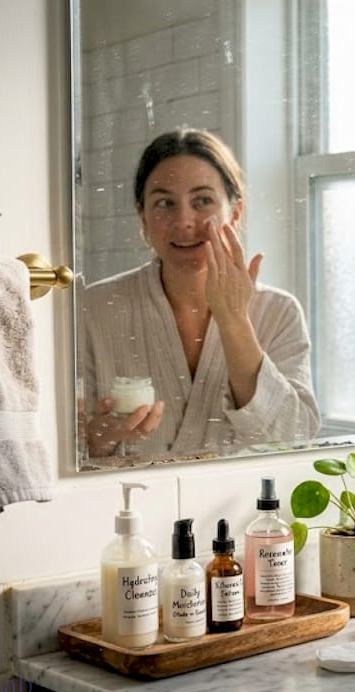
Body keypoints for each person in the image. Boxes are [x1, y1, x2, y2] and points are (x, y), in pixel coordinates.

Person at [79, 128, 320, 460]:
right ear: (143, 218)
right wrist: (98, 440)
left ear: (235, 213)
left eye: (202, 201)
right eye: (164, 203)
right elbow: (62, 453)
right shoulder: (96, 309)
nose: (184, 221)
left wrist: (234, 319)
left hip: (242, 507)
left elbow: (293, 438)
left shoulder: (278, 312)